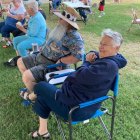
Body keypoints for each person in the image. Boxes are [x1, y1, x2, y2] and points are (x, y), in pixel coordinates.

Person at [28, 28, 127, 139]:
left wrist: (87, 62)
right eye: (100, 43)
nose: (100, 47)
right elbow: (94, 56)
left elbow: (77, 75)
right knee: (43, 97)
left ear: (116, 48)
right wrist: (94, 54)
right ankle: (43, 132)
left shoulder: (107, 66)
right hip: (80, 100)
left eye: (105, 45)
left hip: (76, 109)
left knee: (40, 86)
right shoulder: (111, 60)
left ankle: (29, 96)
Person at [17, 6, 85, 101]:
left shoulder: (74, 37)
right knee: (20, 61)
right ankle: (35, 88)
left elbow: (78, 56)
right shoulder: (60, 28)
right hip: (40, 56)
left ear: (68, 23)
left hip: (53, 65)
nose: (58, 20)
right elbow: (50, 41)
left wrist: (61, 60)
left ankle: (36, 98)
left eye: (61, 18)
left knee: (26, 76)